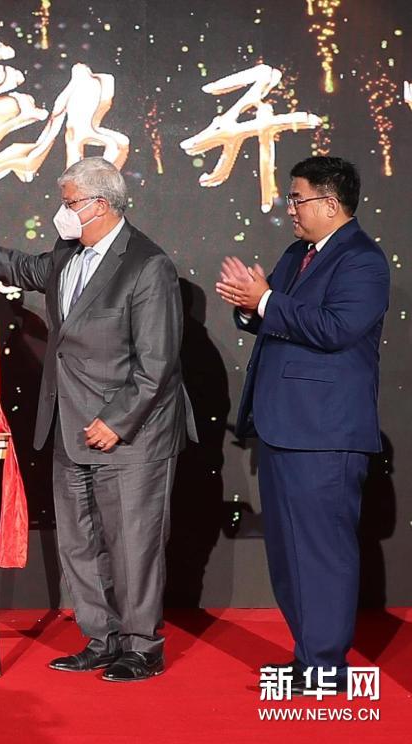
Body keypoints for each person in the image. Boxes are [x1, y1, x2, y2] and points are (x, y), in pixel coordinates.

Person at [0, 156, 194, 682]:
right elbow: (25, 269)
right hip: (68, 424)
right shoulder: (67, 252)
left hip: (130, 434)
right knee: (79, 542)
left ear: (100, 205)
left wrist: (117, 421)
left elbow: (158, 362)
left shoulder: (147, 266)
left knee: (133, 544)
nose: (63, 211)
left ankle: (142, 645)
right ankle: (102, 638)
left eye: (70, 202)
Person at [215, 156, 389, 692]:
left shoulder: (362, 260)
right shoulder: (298, 253)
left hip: (325, 433)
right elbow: (277, 316)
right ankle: (309, 658)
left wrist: (265, 300)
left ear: (330, 204)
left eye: (297, 198)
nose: (289, 207)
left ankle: (326, 669)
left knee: (322, 555)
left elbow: (335, 329)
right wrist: (251, 306)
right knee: (290, 554)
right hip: (282, 427)